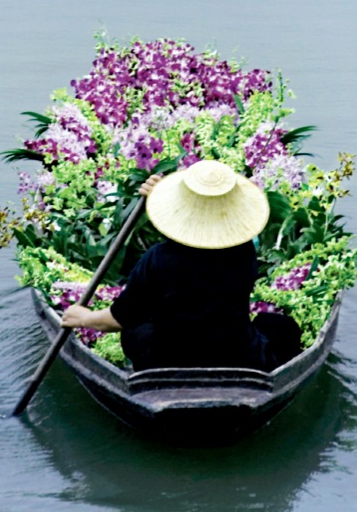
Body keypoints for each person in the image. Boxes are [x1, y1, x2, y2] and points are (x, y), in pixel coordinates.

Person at [60, 159, 302, 372]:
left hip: (167, 363)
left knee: (136, 330)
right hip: (239, 358)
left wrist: (84, 318)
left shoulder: (159, 258)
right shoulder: (244, 252)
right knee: (280, 327)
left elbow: (118, 319)